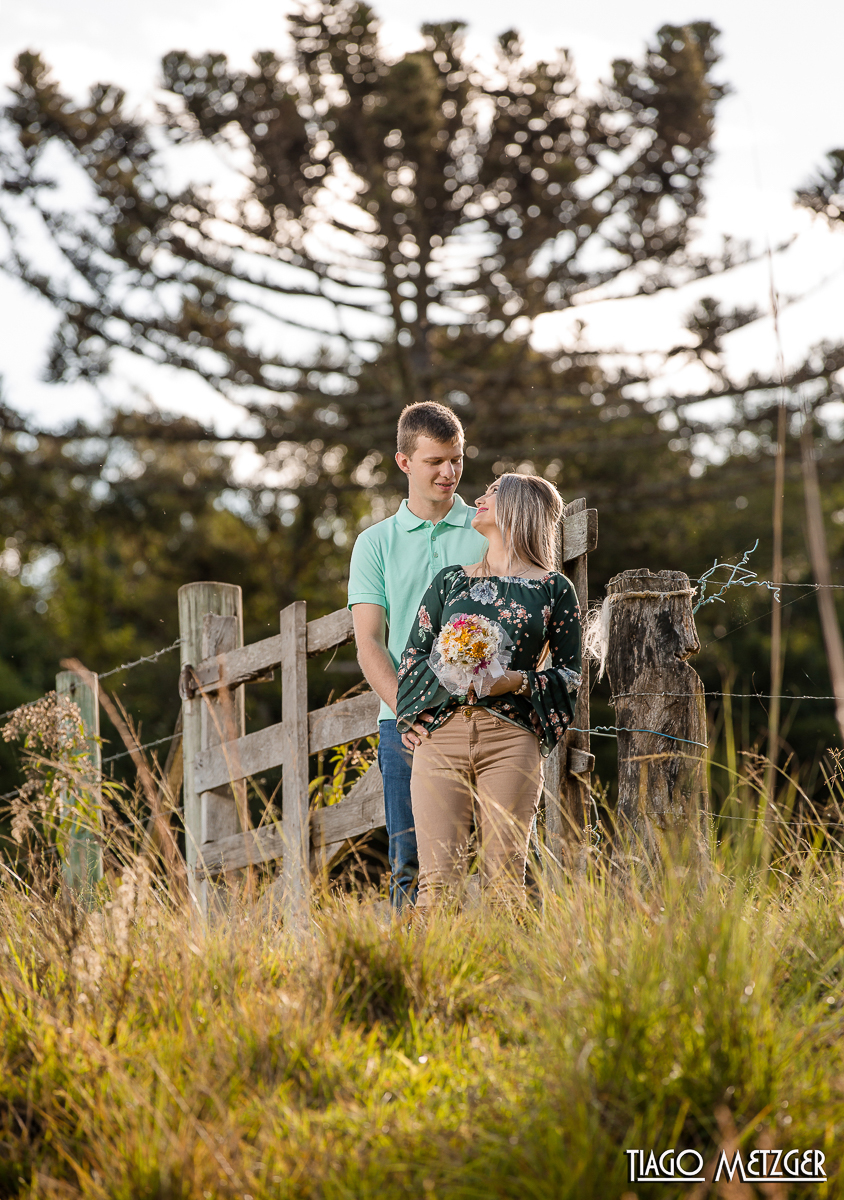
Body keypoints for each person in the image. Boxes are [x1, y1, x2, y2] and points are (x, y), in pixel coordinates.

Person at [395, 473, 581, 911]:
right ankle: (432, 978)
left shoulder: (555, 589)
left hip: (511, 740)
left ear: (520, 507)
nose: (478, 497)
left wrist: (514, 681)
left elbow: (571, 675)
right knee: (436, 885)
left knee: (504, 882)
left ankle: (505, 980)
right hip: (441, 739)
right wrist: (415, 713)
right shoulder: (449, 582)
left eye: (493, 492)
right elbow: (413, 654)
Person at [348, 402, 487, 911]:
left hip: (486, 714)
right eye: (435, 461)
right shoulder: (374, 544)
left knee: (503, 855)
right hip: (405, 726)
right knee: (410, 862)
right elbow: (369, 642)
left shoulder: (488, 529)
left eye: (457, 459)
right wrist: (407, 710)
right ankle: (416, 974)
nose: (449, 472)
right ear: (405, 463)